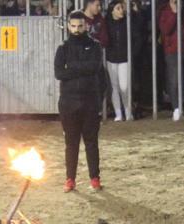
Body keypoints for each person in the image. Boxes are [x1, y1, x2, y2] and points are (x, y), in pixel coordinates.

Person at [55, 10, 108, 193]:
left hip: (90, 103)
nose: (76, 30)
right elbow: (59, 73)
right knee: (71, 143)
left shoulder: (95, 46)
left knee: (91, 142)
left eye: (80, 26)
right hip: (68, 104)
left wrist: (73, 67)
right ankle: (70, 179)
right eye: (73, 26)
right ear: (69, 26)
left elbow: (94, 68)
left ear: (86, 25)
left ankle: (95, 178)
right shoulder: (63, 48)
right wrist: (82, 68)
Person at [102, 0, 137, 121]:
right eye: (118, 8)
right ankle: (118, 113)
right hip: (111, 58)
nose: (121, 10)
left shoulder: (127, 21)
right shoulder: (106, 22)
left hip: (124, 58)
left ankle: (128, 111)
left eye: (121, 8)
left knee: (124, 87)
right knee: (114, 86)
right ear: (112, 11)